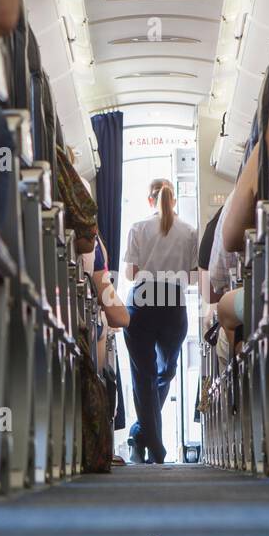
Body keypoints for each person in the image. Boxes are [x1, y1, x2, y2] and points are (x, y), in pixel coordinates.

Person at [122, 179, 199, 464]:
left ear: (150, 200)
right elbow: (192, 278)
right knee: (165, 372)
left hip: (142, 300)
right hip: (173, 301)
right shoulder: (190, 232)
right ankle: (152, 444)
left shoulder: (138, 228)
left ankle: (144, 438)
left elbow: (130, 273)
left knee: (144, 376)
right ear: (173, 200)